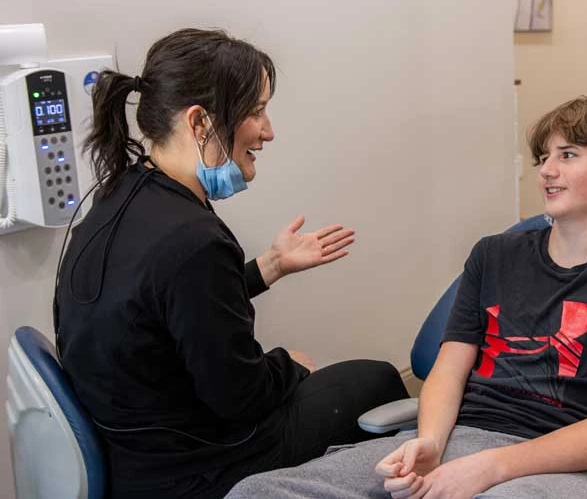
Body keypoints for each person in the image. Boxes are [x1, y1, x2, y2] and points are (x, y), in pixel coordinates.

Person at [224, 94, 587, 499]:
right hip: (459, 439)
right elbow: (449, 366)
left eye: (568, 154)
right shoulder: (495, 255)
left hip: (560, 466)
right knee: (259, 490)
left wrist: (488, 468)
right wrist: (429, 443)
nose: (546, 170)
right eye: (543, 157)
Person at [54, 28, 409, 499]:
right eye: (257, 111)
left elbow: (166, 309)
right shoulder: (191, 238)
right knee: (377, 378)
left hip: (135, 455)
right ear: (200, 122)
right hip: (198, 467)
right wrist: (291, 365)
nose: (268, 131)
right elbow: (240, 399)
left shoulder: (120, 194)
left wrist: (269, 267)